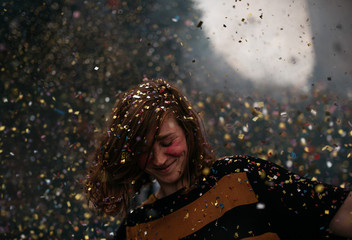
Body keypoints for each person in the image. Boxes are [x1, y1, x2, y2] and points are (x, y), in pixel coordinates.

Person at [85, 79, 352, 240]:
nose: (158, 158)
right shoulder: (135, 230)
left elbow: (339, 213)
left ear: (187, 131)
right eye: (144, 149)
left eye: (167, 142)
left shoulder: (243, 177)